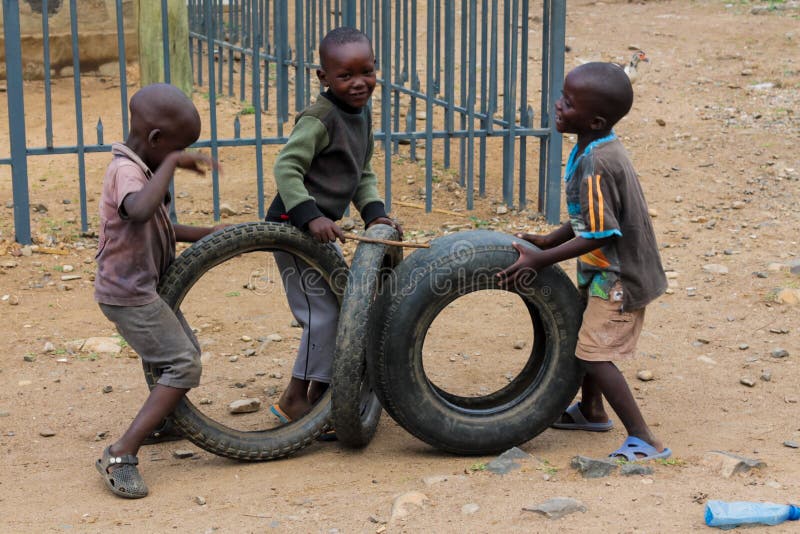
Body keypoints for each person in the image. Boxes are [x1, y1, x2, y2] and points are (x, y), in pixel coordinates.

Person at [497, 62, 670, 461]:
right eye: (562, 95)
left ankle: (644, 437)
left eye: (568, 103)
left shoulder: (596, 163)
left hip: (619, 278)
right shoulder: (593, 145)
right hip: (603, 270)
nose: (558, 106)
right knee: (586, 339)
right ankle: (592, 411)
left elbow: (601, 233)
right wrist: (549, 239)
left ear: (594, 119)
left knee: (595, 352)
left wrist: (541, 259)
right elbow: (591, 218)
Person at [266, 27, 401, 429]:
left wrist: (374, 212)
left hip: (321, 231)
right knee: (320, 315)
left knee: (343, 310)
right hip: (293, 228)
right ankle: (294, 399)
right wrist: (310, 216)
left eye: (367, 72)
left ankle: (322, 395)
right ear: (323, 77)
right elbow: (286, 167)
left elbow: (360, 170)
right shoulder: (320, 117)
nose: (359, 83)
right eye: (345, 76)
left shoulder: (360, 114)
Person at [94, 83, 223, 498]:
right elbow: (140, 210)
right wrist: (170, 164)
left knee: (184, 349)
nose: (181, 155)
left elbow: (162, 225)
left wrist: (216, 234)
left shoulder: (142, 168)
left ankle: (165, 420)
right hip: (128, 294)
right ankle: (120, 452)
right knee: (183, 364)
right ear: (155, 141)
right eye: (177, 146)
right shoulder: (126, 172)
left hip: (142, 287)